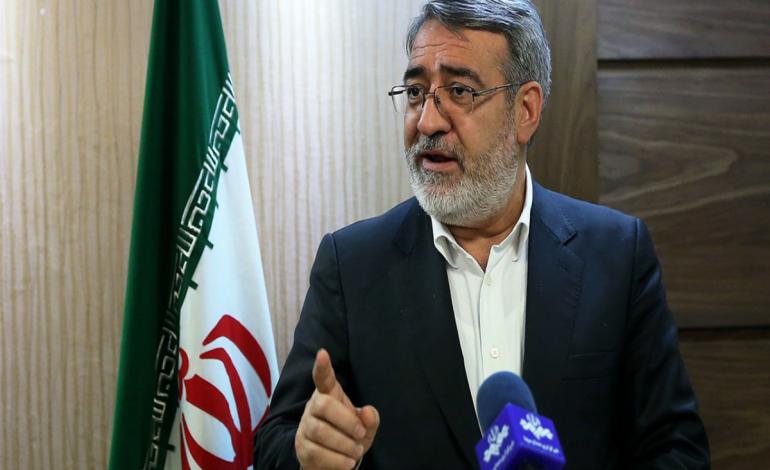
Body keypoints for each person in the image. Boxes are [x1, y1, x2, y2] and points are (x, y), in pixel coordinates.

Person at [254, 1, 710, 468]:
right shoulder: (352, 266)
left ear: (525, 110)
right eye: (416, 92)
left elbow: (677, 449)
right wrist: (307, 452)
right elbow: (274, 445)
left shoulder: (616, 254)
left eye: (459, 91)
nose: (428, 122)